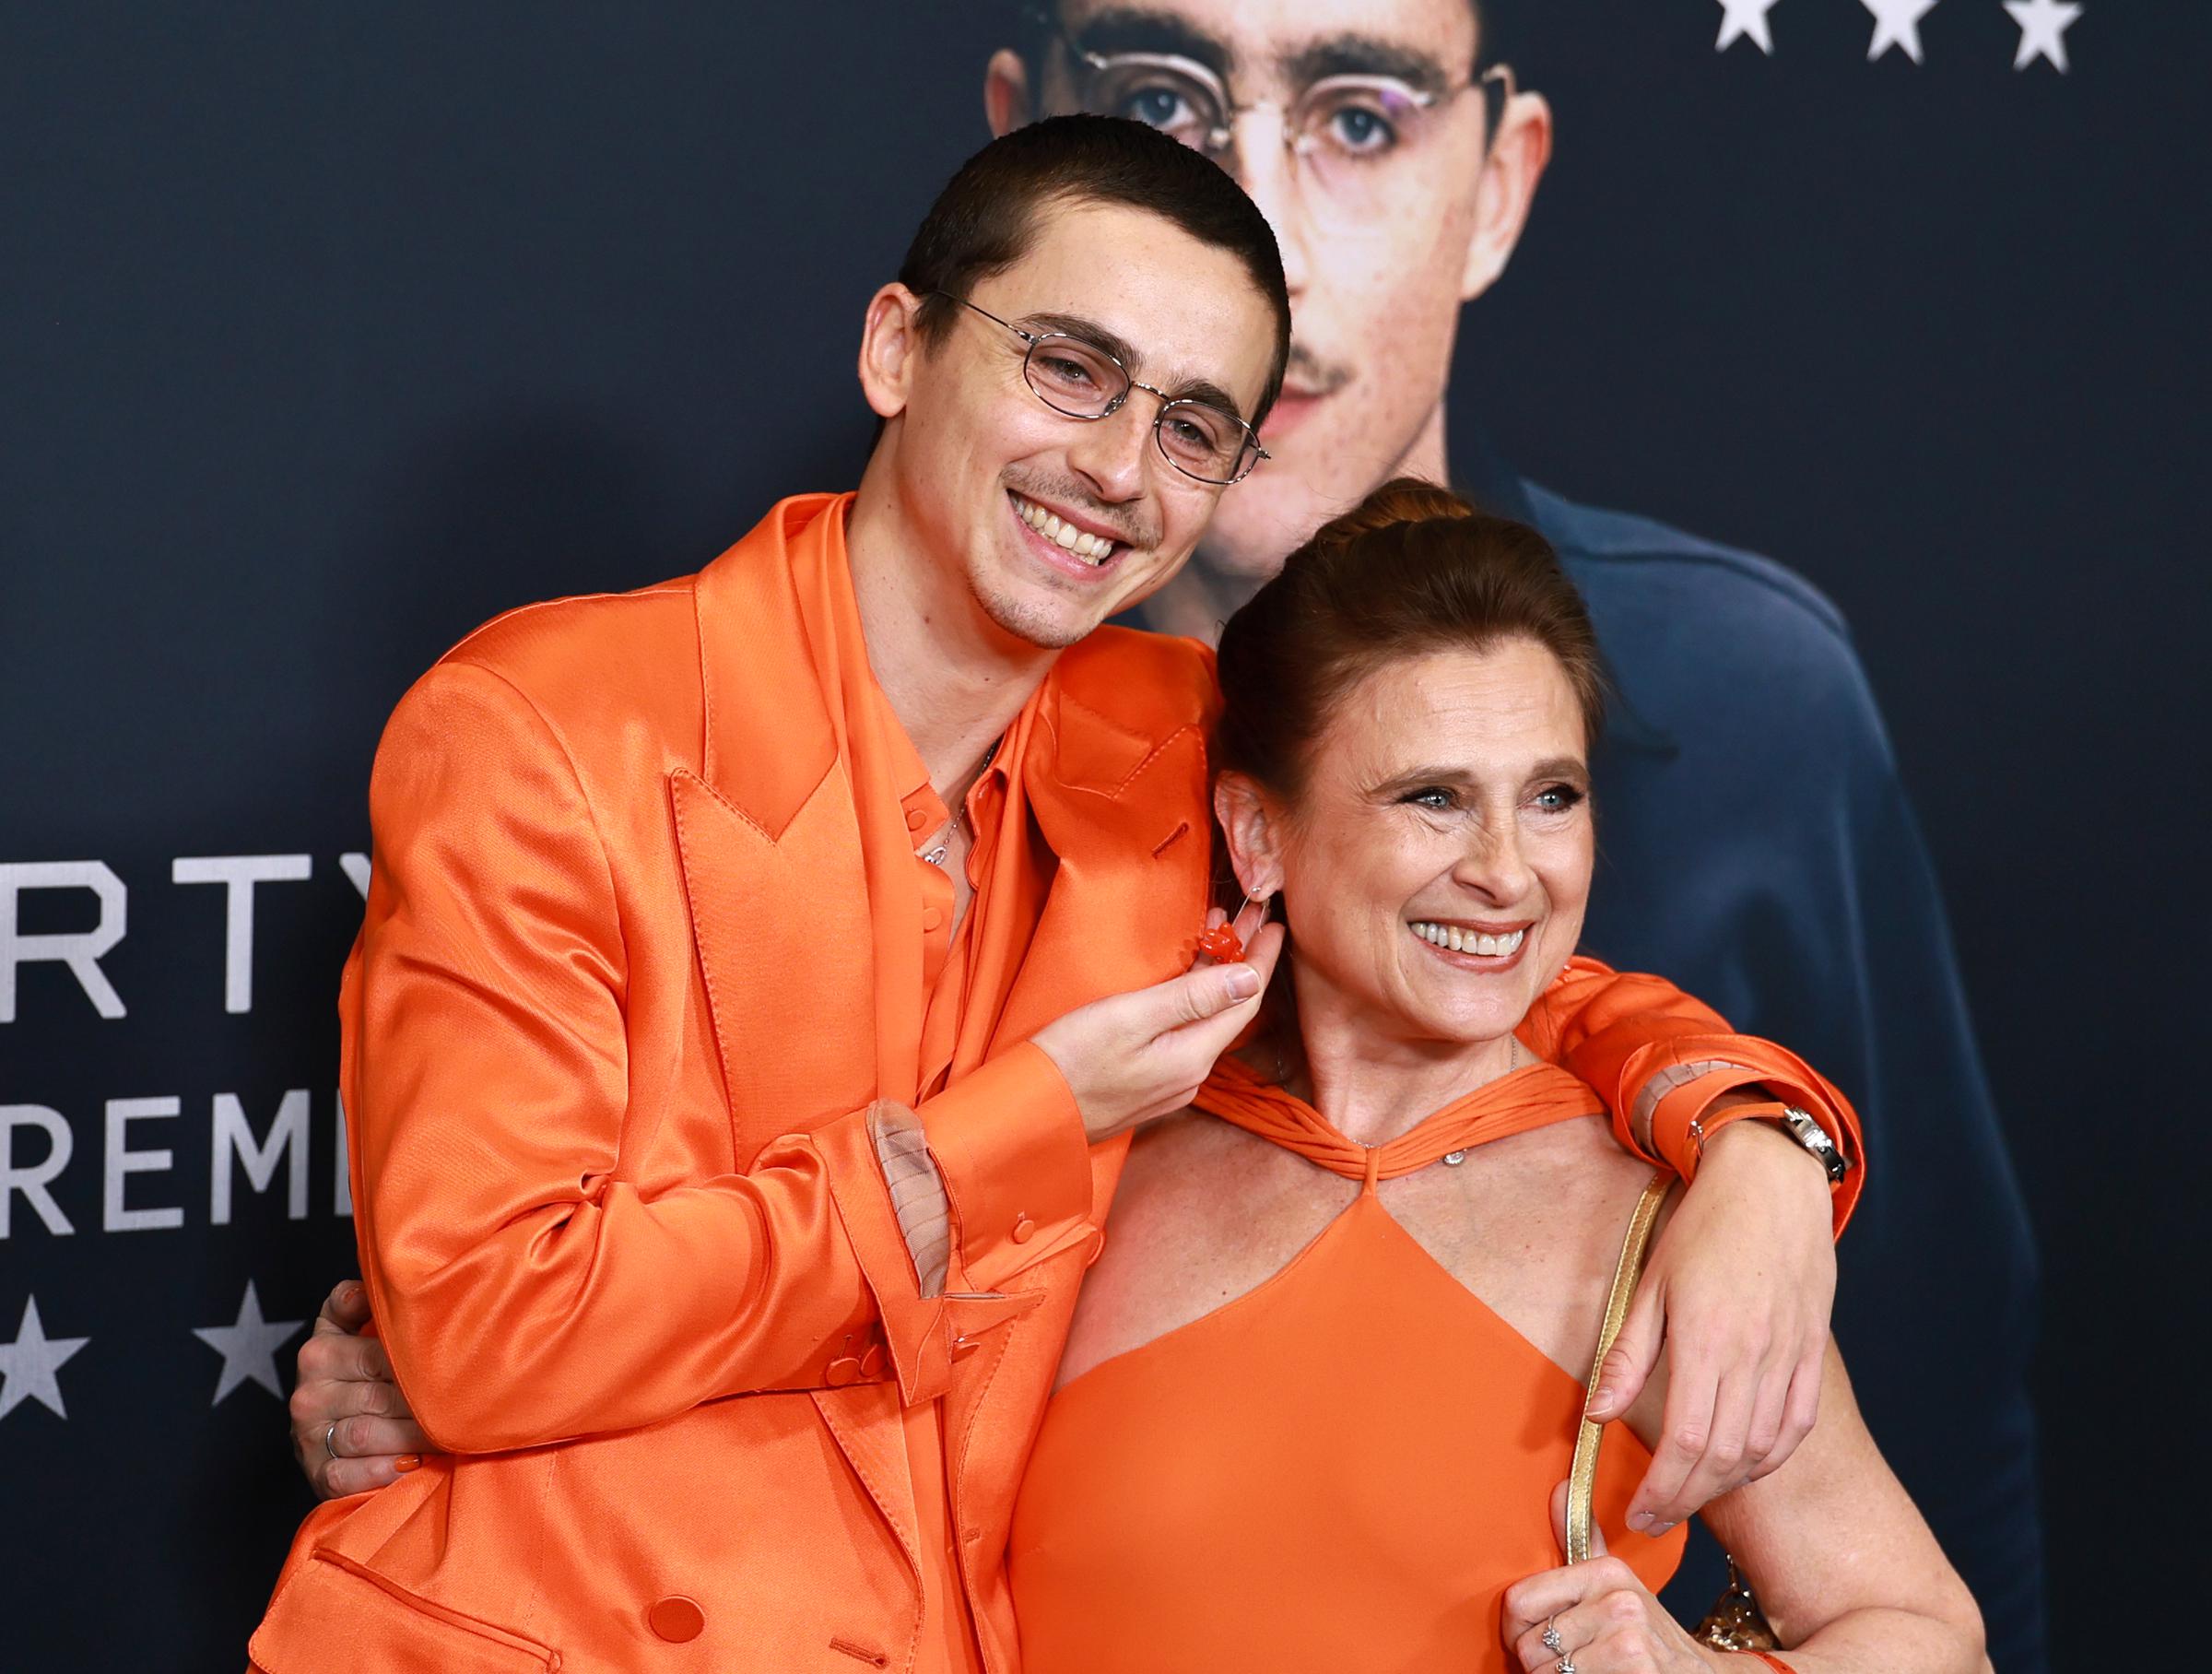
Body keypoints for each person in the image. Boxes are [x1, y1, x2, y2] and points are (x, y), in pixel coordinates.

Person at [261, 118, 1860, 1672]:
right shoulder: (545, 728)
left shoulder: (1178, 741)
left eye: (1193, 426)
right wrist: (1010, 1134)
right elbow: (489, 1335)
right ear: (898, 348)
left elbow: (1457, 939)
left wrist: (1756, 1146)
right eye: (1071, 367)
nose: (1115, 468)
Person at [984, 1, 2043, 1660]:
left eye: (1358, 118)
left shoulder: (1651, 1192)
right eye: (1161, 102)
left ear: (1499, 180)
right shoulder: (1074, 1115)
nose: (1509, 866)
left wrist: (1762, 1150)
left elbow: (1943, 1558)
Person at [1007, 481, 1987, 1673]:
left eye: (1551, 797)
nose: (1509, 873)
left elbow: (1932, 1639)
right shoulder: (1109, 1156)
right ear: (1258, 834)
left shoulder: (1667, 1227)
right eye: (1434, 799)